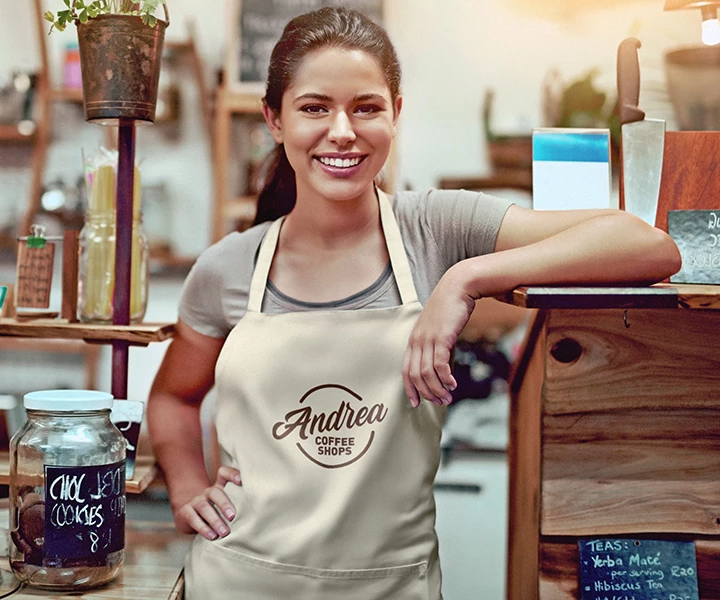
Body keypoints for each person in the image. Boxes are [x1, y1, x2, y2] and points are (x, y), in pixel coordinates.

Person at [147, 7, 680, 599]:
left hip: (392, 588)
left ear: (396, 114)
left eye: (366, 107)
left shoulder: (436, 229)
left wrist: (466, 278)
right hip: (239, 582)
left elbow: (647, 245)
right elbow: (173, 397)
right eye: (315, 107)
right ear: (274, 120)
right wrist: (188, 487)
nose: (343, 131)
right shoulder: (227, 268)